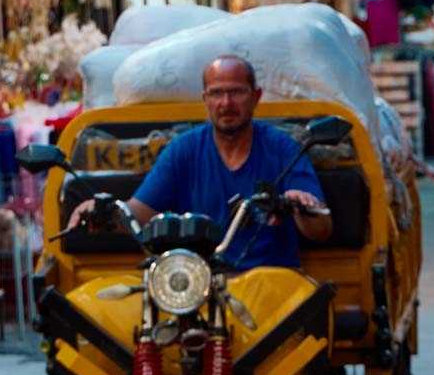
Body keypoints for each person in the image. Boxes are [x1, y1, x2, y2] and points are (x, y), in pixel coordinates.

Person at [72, 54, 332, 271]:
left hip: (270, 286)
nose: (226, 103)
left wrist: (301, 206)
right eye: (217, 93)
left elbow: (321, 229)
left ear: (256, 96)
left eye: (236, 92)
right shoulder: (183, 150)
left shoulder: (283, 148)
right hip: (197, 285)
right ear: (205, 99)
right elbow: (139, 213)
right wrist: (105, 210)